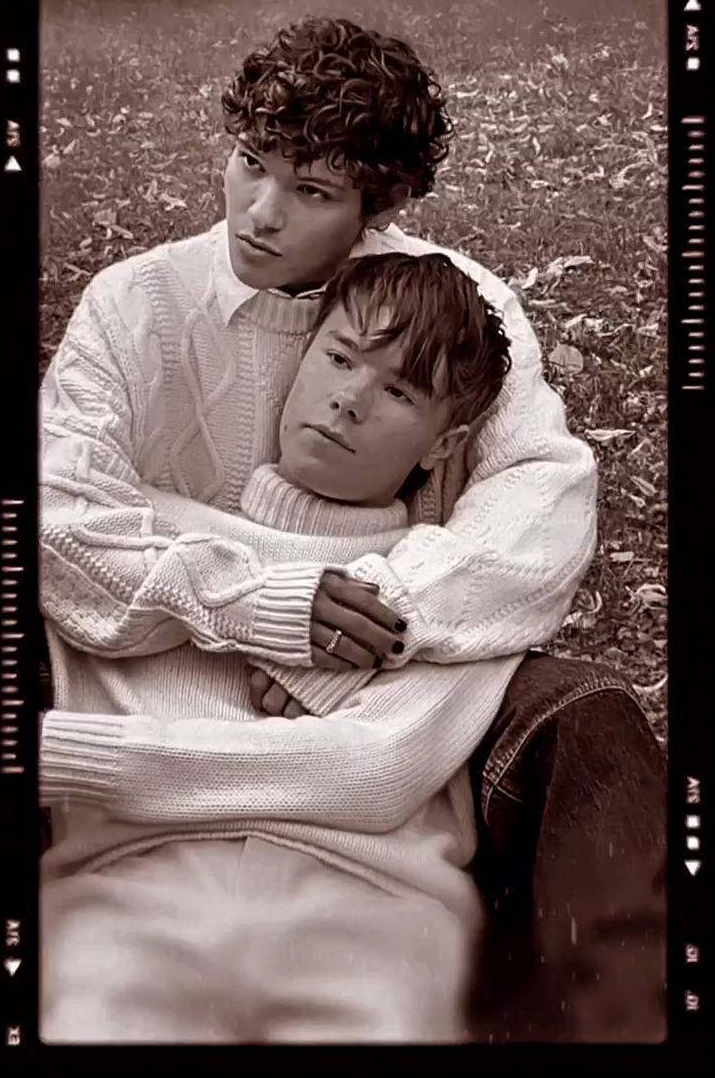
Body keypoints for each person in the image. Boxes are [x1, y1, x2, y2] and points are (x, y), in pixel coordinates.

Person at [39, 16, 664, 1041]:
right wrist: (266, 605)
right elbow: (58, 515)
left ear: (383, 207)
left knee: (586, 716)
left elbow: (543, 499)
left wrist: (380, 615)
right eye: (250, 162)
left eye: (313, 191)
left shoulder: (450, 307)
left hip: (393, 684)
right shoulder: (133, 305)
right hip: (148, 672)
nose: (260, 213)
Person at [41, 250, 525, 1043]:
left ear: (445, 445)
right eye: (339, 358)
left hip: (370, 922)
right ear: (301, 355)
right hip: (128, 905)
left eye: (398, 391)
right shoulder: (135, 541)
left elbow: (371, 772)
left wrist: (64, 756)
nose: (348, 400)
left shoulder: (445, 593)